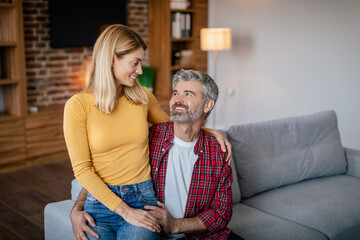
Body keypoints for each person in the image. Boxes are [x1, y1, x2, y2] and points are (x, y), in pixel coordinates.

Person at [64, 24, 231, 240]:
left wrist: (212, 132)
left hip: (142, 199)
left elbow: (174, 127)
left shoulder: (142, 96)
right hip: (100, 205)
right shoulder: (78, 105)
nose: (140, 71)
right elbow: (82, 170)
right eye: (135, 63)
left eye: (140, 62)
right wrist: (120, 211)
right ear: (113, 59)